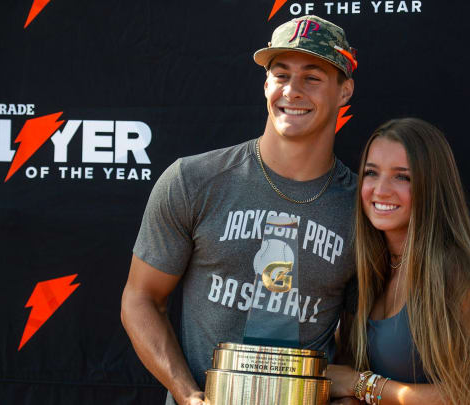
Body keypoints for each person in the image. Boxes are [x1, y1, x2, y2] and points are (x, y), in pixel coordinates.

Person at [120, 15, 359, 405]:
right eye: (281, 75)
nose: (292, 91)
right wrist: (187, 395)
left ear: (344, 91)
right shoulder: (193, 180)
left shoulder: (360, 208)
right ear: (266, 84)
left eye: (312, 78)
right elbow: (141, 298)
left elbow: (363, 340)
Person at [328, 118, 470, 405]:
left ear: (431, 186)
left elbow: (466, 395)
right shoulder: (362, 266)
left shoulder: (450, 270)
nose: (380, 190)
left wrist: (361, 384)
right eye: (371, 173)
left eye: (402, 177)